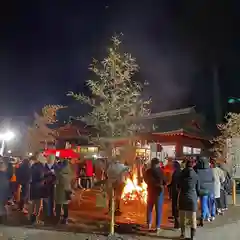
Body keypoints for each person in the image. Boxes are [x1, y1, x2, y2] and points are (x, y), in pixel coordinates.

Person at [143, 158, 166, 235]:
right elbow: (165, 181)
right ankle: (157, 227)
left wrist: (150, 184)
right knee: (158, 210)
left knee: (149, 209)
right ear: (157, 163)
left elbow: (145, 180)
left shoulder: (148, 171)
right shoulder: (160, 171)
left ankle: (149, 225)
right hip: (159, 193)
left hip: (150, 191)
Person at [178, 160, 200, 240]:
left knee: (182, 217)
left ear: (186, 166)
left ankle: (183, 234)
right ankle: (192, 236)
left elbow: (178, 186)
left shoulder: (181, 174)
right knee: (193, 218)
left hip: (182, 198)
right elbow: (198, 188)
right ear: (192, 166)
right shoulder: (196, 175)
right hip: (192, 198)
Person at [195, 156, 215, 224]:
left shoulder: (197, 170)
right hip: (211, 189)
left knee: (204, 203)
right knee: (211, 203)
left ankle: (204, 216)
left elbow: (197, 181)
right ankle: (211, 215)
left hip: (203, 189)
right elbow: (213, 179)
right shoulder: (210, 170)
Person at [29, 154, 47, 224]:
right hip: (39, 187)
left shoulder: (33, 166)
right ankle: (36, 219)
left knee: (33, 202)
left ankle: (31, 218)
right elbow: (42, 177)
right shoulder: (41, 166)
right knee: (38, 203)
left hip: (33, 186)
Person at [55, 159, 73, 224]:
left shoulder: (59, 172)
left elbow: (57, 181)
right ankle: (65, 218)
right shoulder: (70, 171)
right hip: (67, 189)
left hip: (60, 190)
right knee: (65, 204)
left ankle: (57, 217)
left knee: (59, 204)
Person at [43, 155, 57, 219]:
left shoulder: (55, 165)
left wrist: (55, 175)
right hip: (46, 184)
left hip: (53, 184)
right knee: (46, 199)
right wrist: (50, 172)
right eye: (50, 158)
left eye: (53, 158)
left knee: (52, 198)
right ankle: (46, 212)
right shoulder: (44, 165)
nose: (52, 160)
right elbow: (42, 174)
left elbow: (58, 174)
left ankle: (51, 211)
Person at [169, 161, 181, 229]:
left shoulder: (176, 173)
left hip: (176, 191)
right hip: (176, 190)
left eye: (173, 166)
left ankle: (177, 223)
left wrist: (170, 185)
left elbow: (174, 182)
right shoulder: (179, 172)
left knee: (175, 205)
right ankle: (175, 218)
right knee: (175, 205)